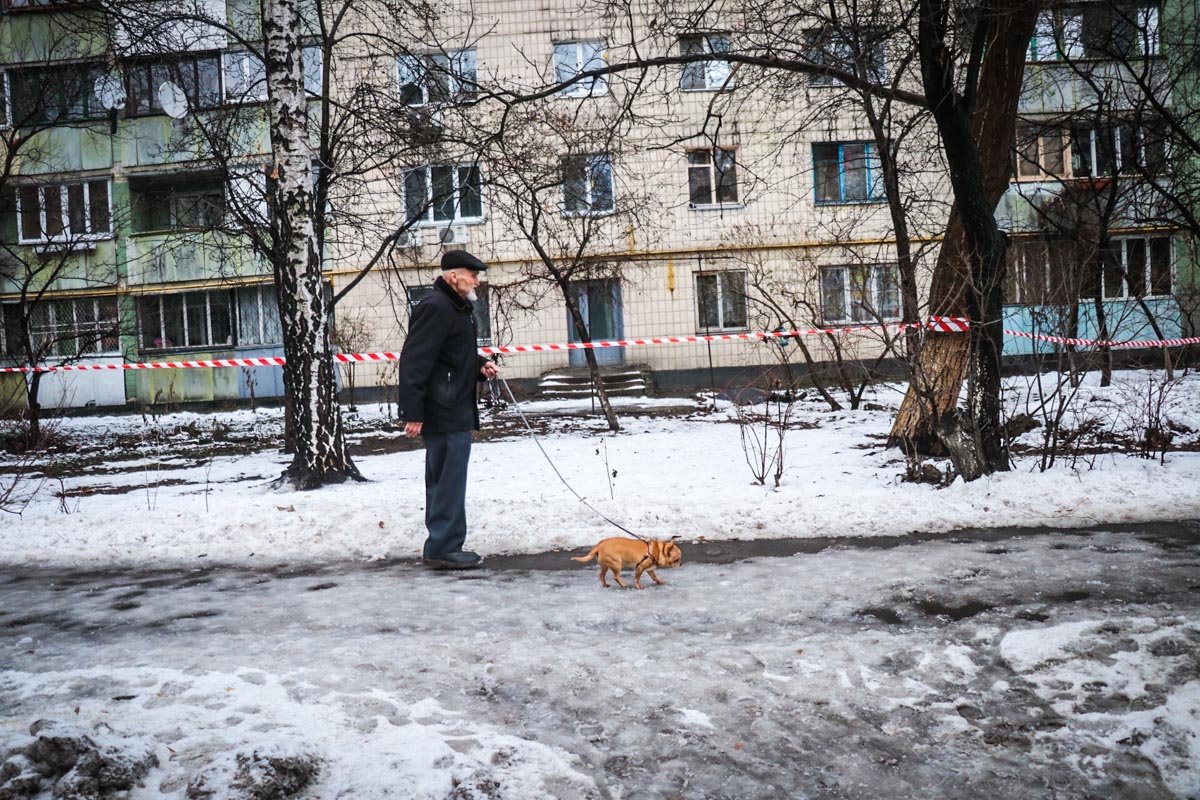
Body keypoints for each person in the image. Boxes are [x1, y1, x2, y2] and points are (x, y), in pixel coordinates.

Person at [398, 250, 500, 569]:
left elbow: (453, 354)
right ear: (453, 276)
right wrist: (413, 413)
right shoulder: (435, 307)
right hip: (442, 409)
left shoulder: (456, 307)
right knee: (447, 480)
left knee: (447, 478)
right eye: (472, 275)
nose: (477, 281)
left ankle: (443, 544)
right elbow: (415, 361)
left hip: (453, 404)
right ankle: (443, 547)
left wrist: (480, 364)